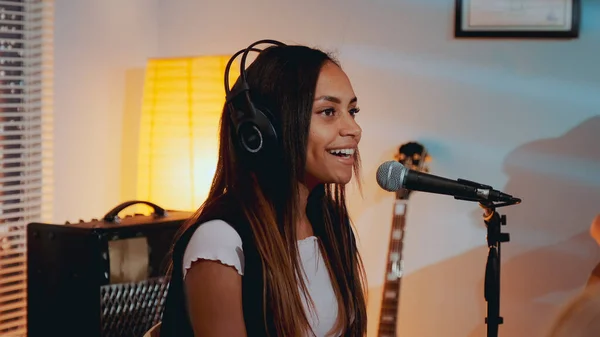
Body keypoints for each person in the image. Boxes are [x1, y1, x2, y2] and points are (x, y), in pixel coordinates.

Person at [157, 40, 368, 337]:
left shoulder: (332, 224)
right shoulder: (220, 242)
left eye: (352, 111)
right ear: (265, 130)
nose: (353, 129)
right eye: (328, 112)